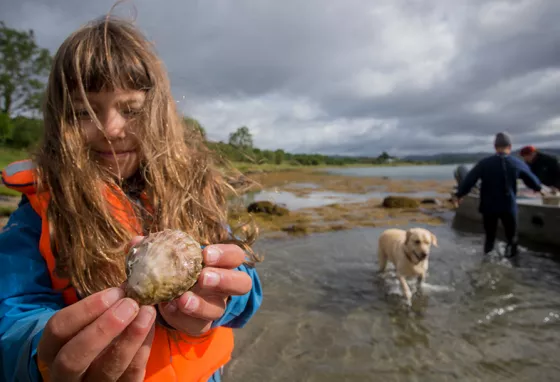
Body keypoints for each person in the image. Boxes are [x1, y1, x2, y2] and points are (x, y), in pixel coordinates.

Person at [0, 14, 263, 382]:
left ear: (158, 114)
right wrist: (41, 348)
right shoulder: (38, 216)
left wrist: (220, 300)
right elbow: (11, 313)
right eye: (83, 112)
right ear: (59, 120)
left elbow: (247, 289)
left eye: (131, 110)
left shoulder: (194, 192)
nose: (110, 129)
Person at [452, 132, 543, 258]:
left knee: (490, 238)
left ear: (495, 147)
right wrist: (537, 188)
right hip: (508, 207)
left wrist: (459, 194)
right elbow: (533, 182)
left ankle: (487, 261)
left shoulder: (484, 163)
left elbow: (469, 180)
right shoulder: (516, 163)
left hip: (489, 208)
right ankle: (513, 266)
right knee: (512, 239)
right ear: (510, 147)